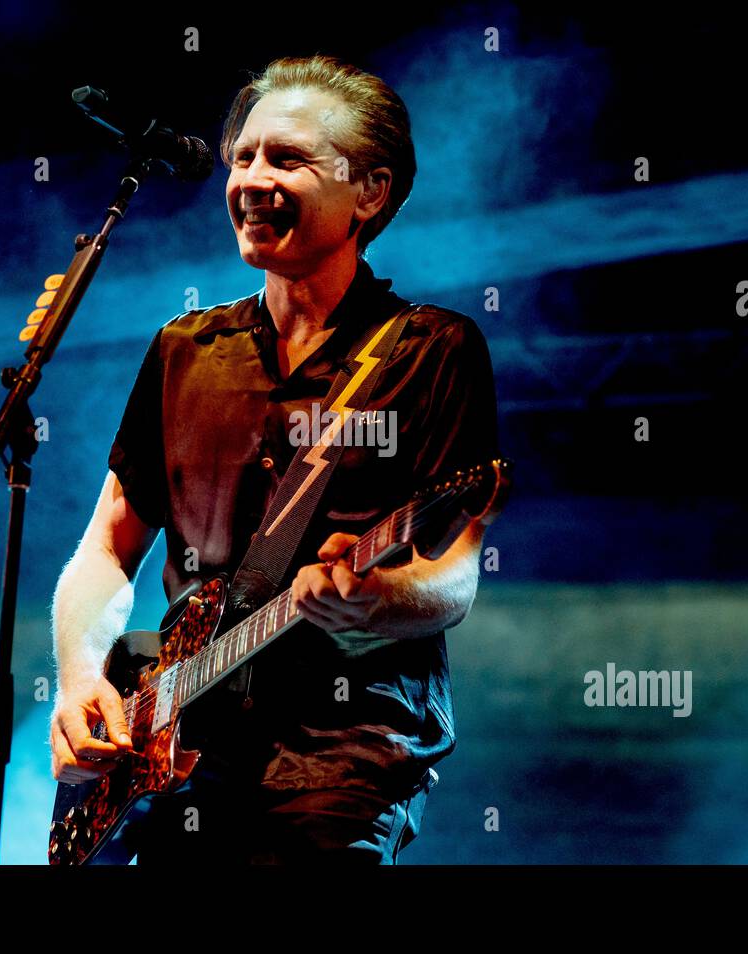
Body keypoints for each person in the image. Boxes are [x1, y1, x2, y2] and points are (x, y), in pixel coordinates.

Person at [49, 54, 500, 863]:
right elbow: (107, 548)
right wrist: (82, 676)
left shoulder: (432, 350)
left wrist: (381, 598)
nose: (252, 179)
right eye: (245, 158)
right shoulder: (184, 349)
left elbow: (456, 575)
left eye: (286, 159)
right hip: (170, 755)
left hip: (339, 761)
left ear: (371, 191)